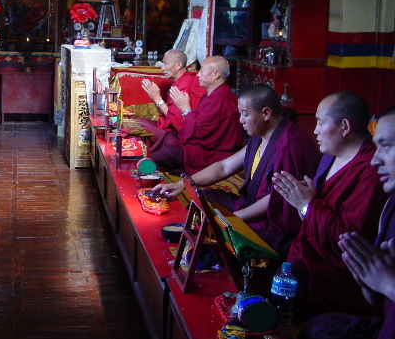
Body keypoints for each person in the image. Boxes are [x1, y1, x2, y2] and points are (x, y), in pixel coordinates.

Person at [154, 84, 320, 257]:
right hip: (249, 204)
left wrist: (232, 219)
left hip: (271, 221)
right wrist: (183, 184)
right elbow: (223, 167)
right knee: (204, 201)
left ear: (266, 114)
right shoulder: (260, 137)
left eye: (245, 114)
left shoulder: (290, 145)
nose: (240, 120)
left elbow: (277, 199)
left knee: (220, 239)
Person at [272, 91, 389, 317]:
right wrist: (304, 203)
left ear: (344, 127)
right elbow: (314, 212)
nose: (315, 129)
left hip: (336, 272)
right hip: (309, 247)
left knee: (283, 288)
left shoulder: (370, 171)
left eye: (320, 122)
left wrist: (307, 204)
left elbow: (349, 239)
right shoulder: (329, 155)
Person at [297, 106, 395, 339]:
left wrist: (386, 282)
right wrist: (369, 280)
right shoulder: (392, 204)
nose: (375, 158)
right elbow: (376, 294)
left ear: (345, 127)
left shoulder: (370, 176)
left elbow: (345, 236)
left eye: (386, 146)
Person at [148, 55, 242, 174]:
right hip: (199, 146)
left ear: (216, 74)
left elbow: (201, 132)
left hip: (211, 153)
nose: (198, 75)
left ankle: (139, 176)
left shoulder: (221, 99)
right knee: (168, 140)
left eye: (202, 71)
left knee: (164, 154)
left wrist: (186, 109)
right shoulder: (211, 95)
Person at [137, 50, 205, 154]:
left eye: (166, 63)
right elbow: (168, 115)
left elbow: (177, 122)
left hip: (179, 135)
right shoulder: (180, 81)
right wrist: (155, 97)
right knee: (139, 122)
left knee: (140, 128)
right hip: (173, 129)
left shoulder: (185, 83)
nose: (162, 68)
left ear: (178, 65)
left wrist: (157, 98)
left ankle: (140, 161)